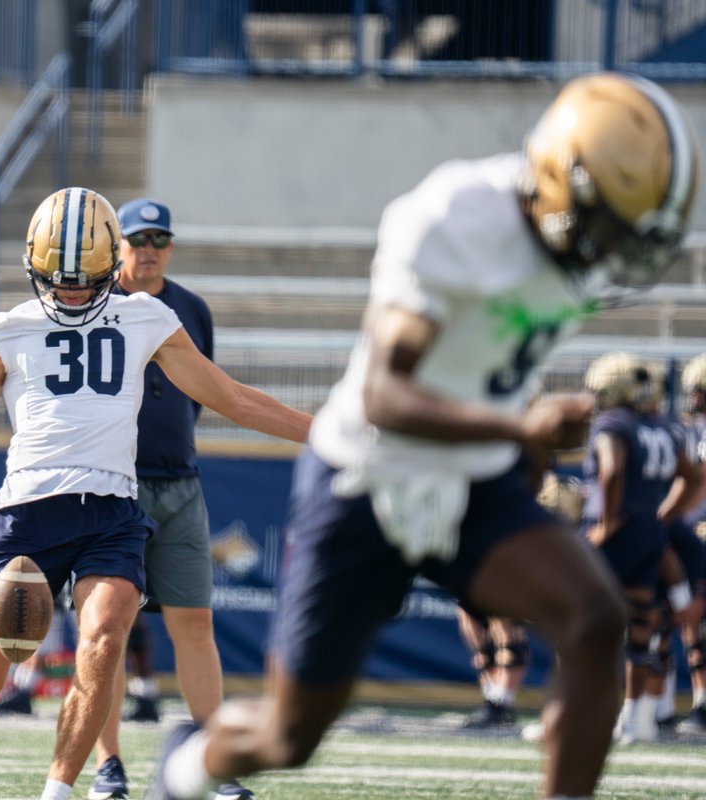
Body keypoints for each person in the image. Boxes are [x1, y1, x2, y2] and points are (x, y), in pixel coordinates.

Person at [149, 71, 699, 800]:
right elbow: (385, 395)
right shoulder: (457, 214)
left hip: (473, 478)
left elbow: (486, 365)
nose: (612, 252)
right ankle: (184, 768)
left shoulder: (572, 247)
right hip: (367, 479)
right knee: (290, 734)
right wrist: (519, 427)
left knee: (595, 618)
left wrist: (523, 449)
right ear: (562, 185)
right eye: (608, 229)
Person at [0, 187, 311, 800]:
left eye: (85, 280)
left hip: (111, 511)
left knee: (104, 637)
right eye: (60, 280)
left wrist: (328, 434)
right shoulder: (6, 330)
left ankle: (60, 789)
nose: (73, 291)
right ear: (34, 267)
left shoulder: (149, 319)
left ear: (112, 269)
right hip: (26, 514)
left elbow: (231, 397)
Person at [86, 197, 252, 800]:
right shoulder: (95, 301)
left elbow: (203, 394)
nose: (149, 248)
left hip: (179, 481)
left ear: (171, 246)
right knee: (108, 630)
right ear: (117, 245)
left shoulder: (192, 308)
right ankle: (108, 765)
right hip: (114, 485)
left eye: (160, 238)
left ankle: (212, 762)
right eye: (137, 238)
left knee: (194, 620)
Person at [580, 351, 699, 743]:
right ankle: (634, 718)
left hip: (616, 535)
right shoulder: (663, 427)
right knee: (642, 627)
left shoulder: (613, 423)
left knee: (580, 624)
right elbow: (695, 476)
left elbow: (612, 469)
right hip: (649, 534)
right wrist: (665, 514)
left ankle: (576, 712)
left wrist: (608, 521)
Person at [675, 354, 706, 734]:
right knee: (691, 621)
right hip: (693, 532)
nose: (693, 396)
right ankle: (698, 702)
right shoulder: (685, 430)